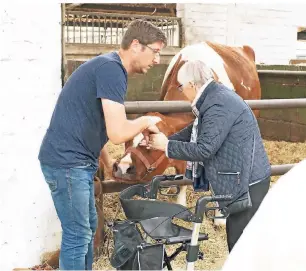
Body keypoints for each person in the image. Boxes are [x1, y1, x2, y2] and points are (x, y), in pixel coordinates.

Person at [38, 19, 167, 270]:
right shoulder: (111, 70)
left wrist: (107, 162)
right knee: (78, 234)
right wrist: (146, 120)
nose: (158, 60)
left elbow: (93, 121)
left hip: (76, 162)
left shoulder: (109, 67)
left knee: (85, 229)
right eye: (156, 51)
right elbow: (118, 132)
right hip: (68, 163)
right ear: (136, 45)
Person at [144, 60, 272, 252]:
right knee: (239, 239)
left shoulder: (218, 104)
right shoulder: (213, 97)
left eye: (181, 86)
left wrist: (168, 146)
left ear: (192, 85)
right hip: (244, 178)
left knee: (239, 245)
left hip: (248, 184)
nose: (181, 91)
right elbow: (197, 131)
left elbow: (204, 149)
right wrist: (165, 138)